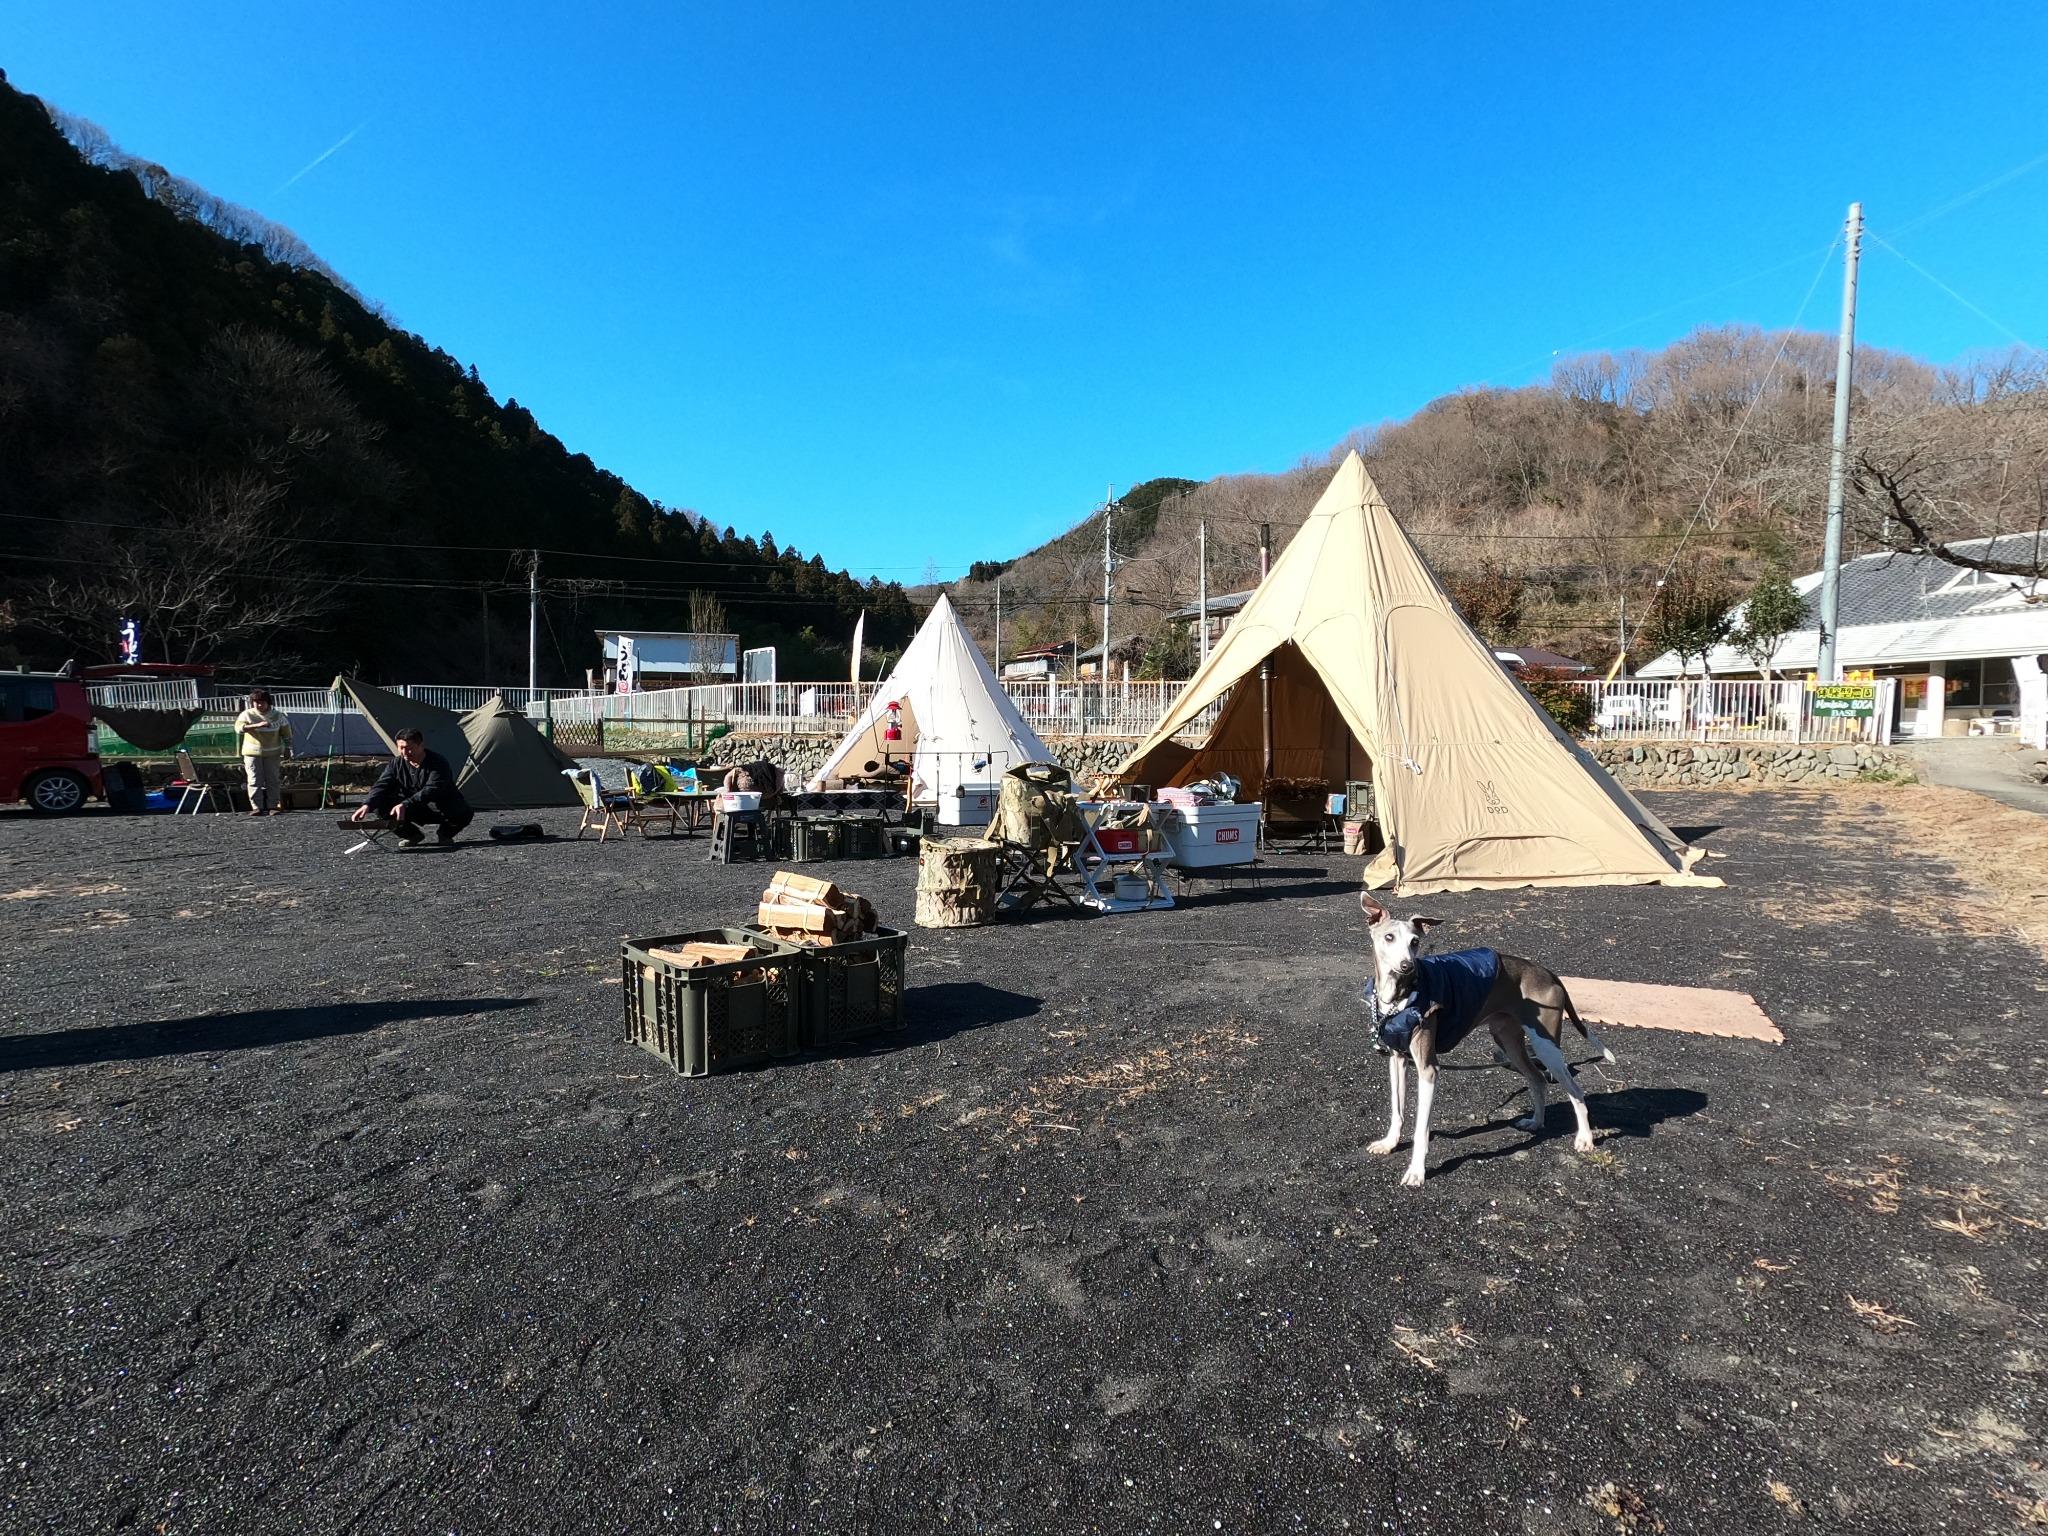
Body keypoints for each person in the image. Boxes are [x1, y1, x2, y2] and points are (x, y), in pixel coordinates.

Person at [350, 727, 472, 845]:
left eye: (409, 748)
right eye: (401, 748)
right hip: (411, 808)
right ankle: (412, 835)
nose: (404, 752)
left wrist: (405, 804)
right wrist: (367, 804)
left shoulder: (438, 762)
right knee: (380, 806)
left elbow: (432, 789)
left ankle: (445, 834)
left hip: (439, 807)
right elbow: (382, 785)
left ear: (421, 746)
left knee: (463, 811)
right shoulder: (396, 764)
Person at [233, 690, 294, 817]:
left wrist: (288, 748)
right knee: (254, 780)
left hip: (273, 752)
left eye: (262, 702)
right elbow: (239, 729)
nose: (259, 705)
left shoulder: (278, 716)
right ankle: (256, 806)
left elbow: (286, 733)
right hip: (252, 752)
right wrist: (257, 725)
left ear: (268, 703)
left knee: (273, 780)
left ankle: (273, 806)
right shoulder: (247, 715)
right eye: (256, 702)